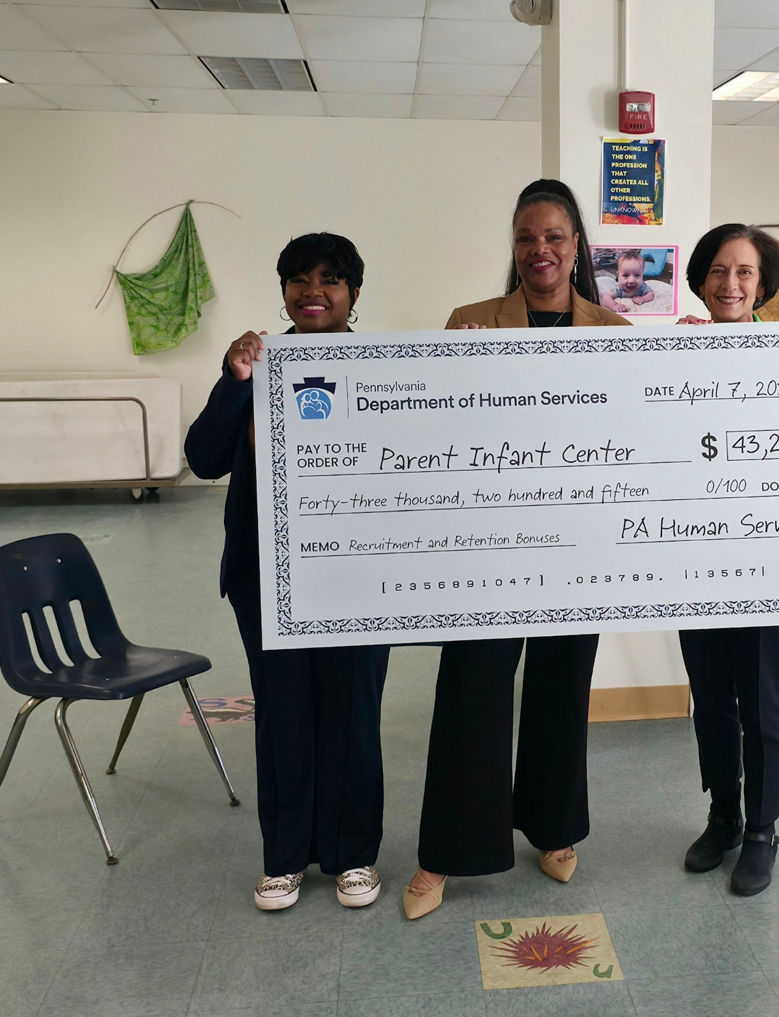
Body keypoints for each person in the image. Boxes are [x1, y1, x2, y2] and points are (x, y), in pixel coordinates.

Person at [404, 180, 630, 920]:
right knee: (470, 691)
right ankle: (443, 852)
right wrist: (455, 373)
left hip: (575, 545)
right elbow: (434, 434)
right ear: (513, 246)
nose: (541, 250)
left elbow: (633, 438)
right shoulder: (469, 323)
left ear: (576, 248)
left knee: (562, 690)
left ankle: (554, 830)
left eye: (555, 237)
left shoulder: (613, 329)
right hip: (487, 547)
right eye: (528, 237)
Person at [185, 233, 390, 912]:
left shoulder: (384, 366)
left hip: (359, 572)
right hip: (267, 573)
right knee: (283, 712)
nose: (314, 292)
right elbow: (206, 458)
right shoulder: (259, 363)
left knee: (353, 709)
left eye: (330, 279)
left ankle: (353, 854)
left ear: (353, 293)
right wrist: (232, 379)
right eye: (299, 280)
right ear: (282, 293)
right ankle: (284, 859)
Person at [675, 224, 779, 897]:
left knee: (763, 702)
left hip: (768, 562)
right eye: (718, 270)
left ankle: (763, 830)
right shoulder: (674, 353)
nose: (730, 284)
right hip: (693, 557)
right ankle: (723, 813)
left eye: (744, 272)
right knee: (711, 700)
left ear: (764, 283)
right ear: (700, 278)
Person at [600, 249, 656, 313]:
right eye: (626, 275)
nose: (631, 281)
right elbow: (605, 297)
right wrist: (614, 305)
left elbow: (651, 294)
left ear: (642, 275)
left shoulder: (642, 286)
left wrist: (643, 299)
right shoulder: (618, 287)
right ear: (618, 275)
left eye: (637, 275)